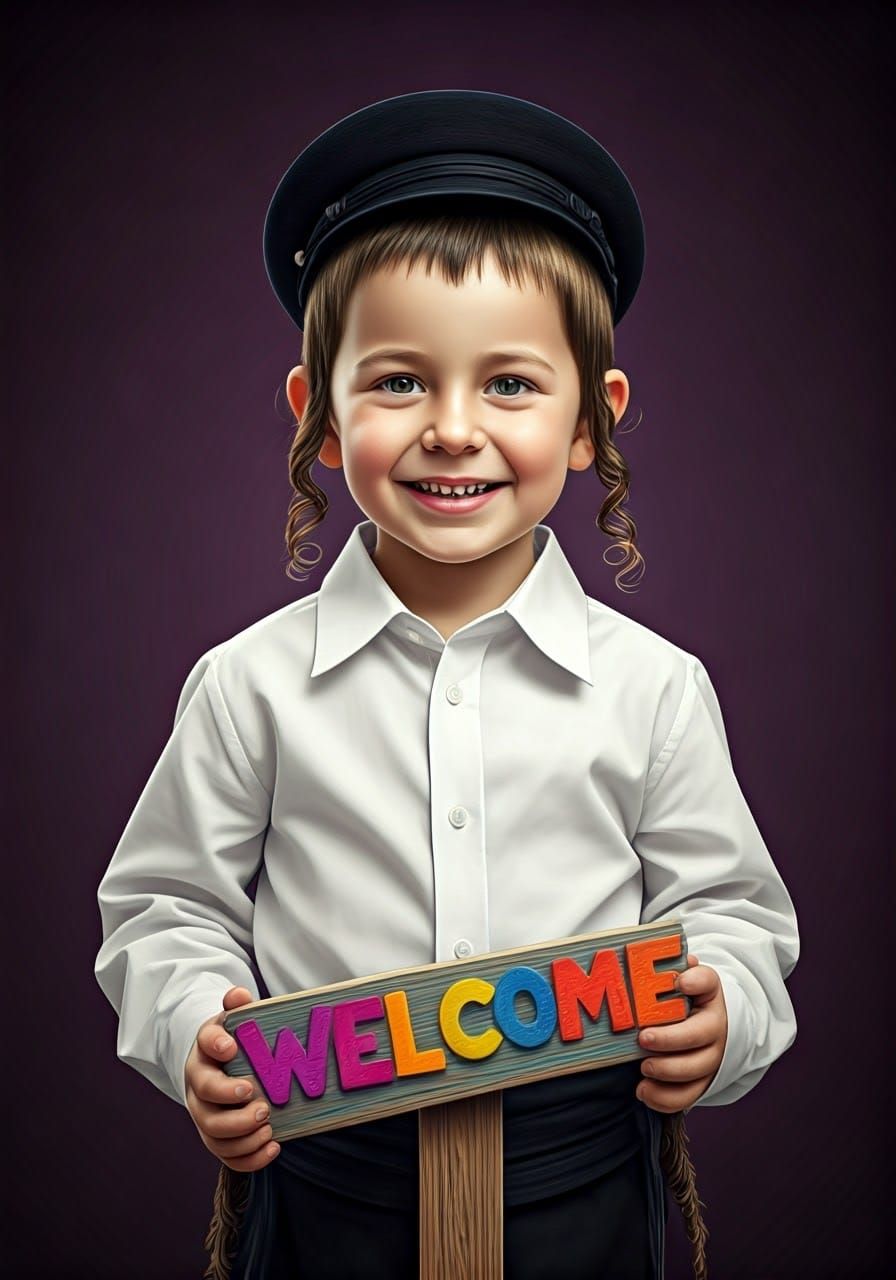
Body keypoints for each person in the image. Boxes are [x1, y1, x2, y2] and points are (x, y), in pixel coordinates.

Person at [94, 90, 799, 1280]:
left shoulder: (655, 689)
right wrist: (194, 1027)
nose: (453, 429)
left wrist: (722, 1006)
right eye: (399, 382)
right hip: (327, 1189)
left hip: (577, 1184)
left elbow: (732, 912)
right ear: (318, 412)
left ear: (591, 419)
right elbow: (165, 907)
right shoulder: (244, 686)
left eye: (511, 385)